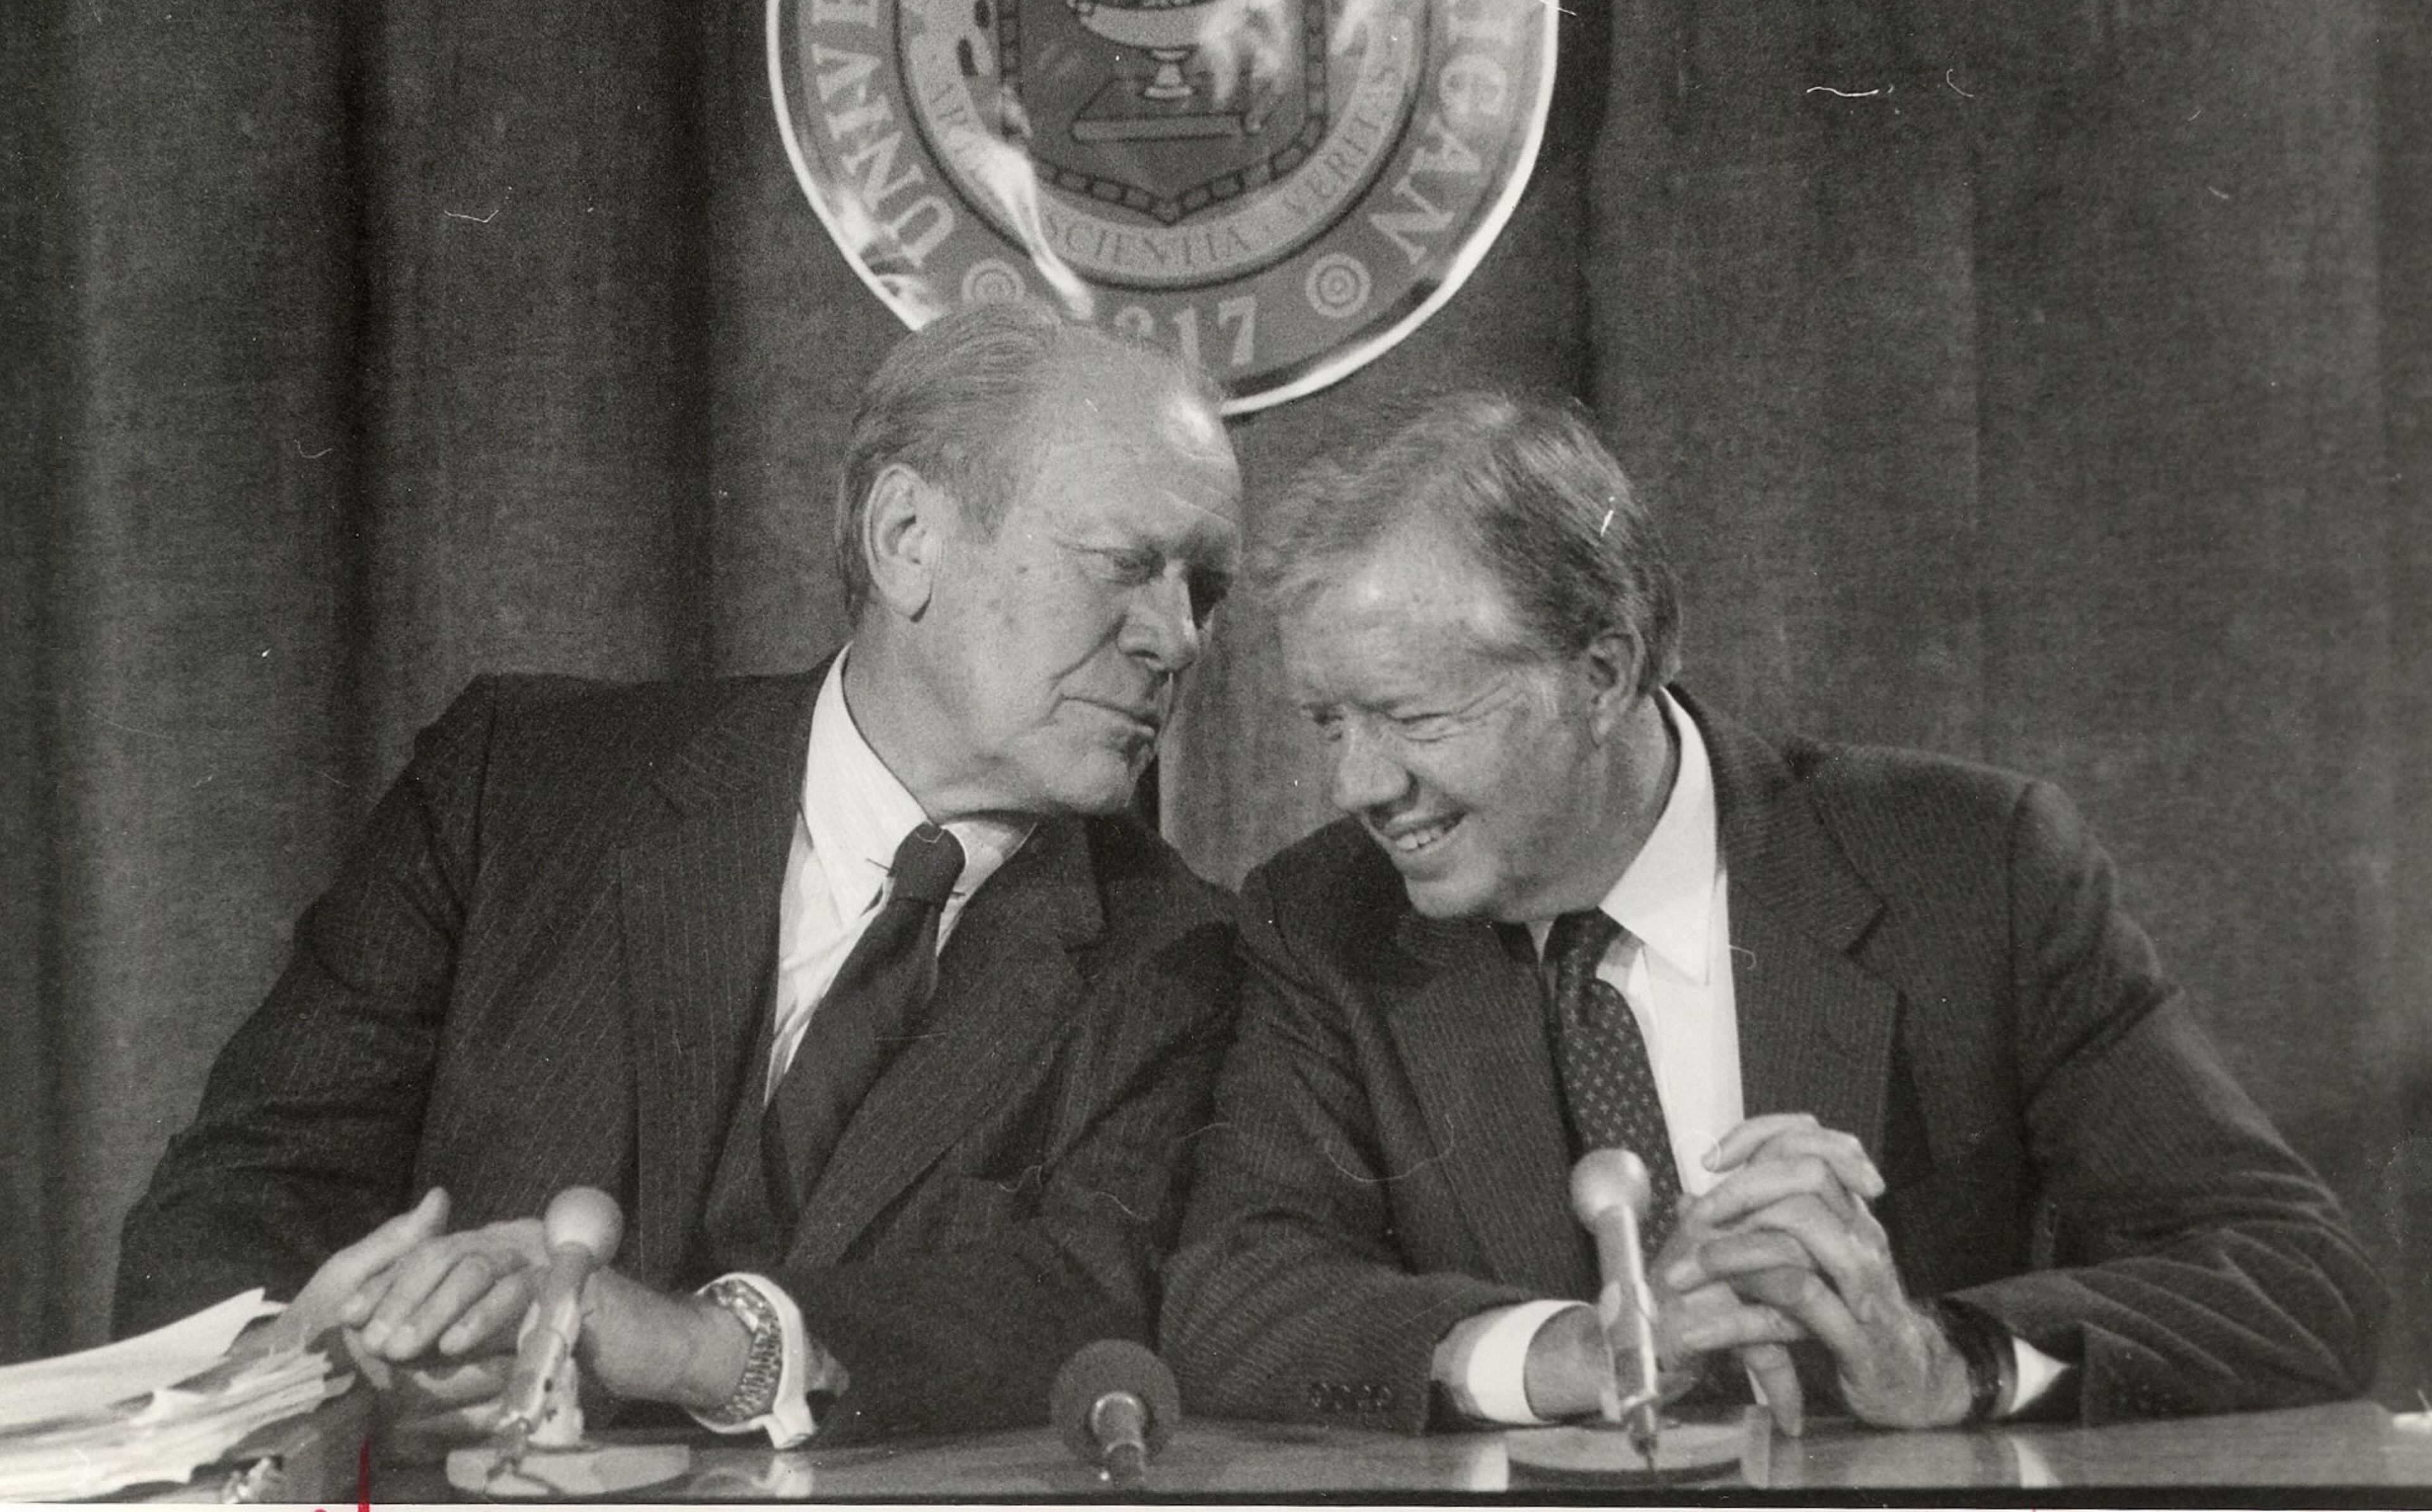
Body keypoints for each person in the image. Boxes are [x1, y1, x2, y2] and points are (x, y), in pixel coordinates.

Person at [113, 300, 1246, 1450]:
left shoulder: (1180, 954)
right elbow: (239, 1191)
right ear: (907, 538)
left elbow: (1083, 1295)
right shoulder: (520, 781)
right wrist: (301, 1375)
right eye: (1126, 565)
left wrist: (704, 1344)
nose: (1179, 637)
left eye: (1205, 589)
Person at [1162, 391, 2383, 1435]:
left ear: (1603, 673)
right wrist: (1581, 1350)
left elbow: (2292, 1276)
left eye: (1415, 719)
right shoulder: (1321, 919)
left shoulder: (1972, 865)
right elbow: (1235, 1298)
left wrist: (1947, 1358)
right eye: (1330, 723)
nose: (1358, 785)